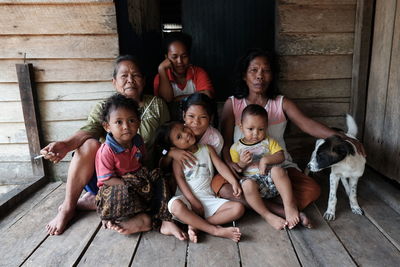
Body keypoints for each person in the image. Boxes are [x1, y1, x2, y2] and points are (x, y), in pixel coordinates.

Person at [41, 55, 185, 239]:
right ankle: (69, 208)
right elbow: (89, 131)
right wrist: (66, 145)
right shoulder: (105, 108)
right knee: (89, 144)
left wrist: (170, 152)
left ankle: (98, 204)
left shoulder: (156, 105)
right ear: (114, 82)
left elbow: (167, 137)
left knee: (161, 184)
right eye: (124, 76)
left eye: (136, 75)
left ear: (144, 80)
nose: (130, 80)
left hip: (142, 177)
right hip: (110, 180)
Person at [216, 49, 366, 225]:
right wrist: (232, 164)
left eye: (266, 70)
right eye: (253, 70)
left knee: (312, 190)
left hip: (280, 167)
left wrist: (343, 137)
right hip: (244, 169)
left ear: (272, 75)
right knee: (222, 188)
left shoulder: (280, 102)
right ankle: (282, 210)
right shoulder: (233, 103)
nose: (260, 76)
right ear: (244, 75)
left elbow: (307, 124)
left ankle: (258, 205)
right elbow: (225, 142)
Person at [94, 94, 172, 235]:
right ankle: (120, 218)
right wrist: (130, 185)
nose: (126, 127)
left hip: (138, 180)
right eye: (119, 122)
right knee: (117, 195)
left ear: (139, 122)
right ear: (107, 126)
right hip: (117, 185)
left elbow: (141, 163)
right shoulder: (107, 150)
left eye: (131, 120)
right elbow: (106, 179)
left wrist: (145, 182)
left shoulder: (137, 140)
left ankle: (153, 217)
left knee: (159, 177)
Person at [155, 122, 244, 242]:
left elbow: (220, 166)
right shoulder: (178, 159)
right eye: (179, 137)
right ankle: (215, 230)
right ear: (173, 146)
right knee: (175, 205)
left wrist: (233, 181)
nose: (185, 134)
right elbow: (180, 179)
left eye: (184, 128)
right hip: (188, 200)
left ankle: (197, 225)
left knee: (238, 208)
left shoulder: (207, 149)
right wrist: (192, 200)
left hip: (208, 198)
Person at [230, 104, 300, 230]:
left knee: (278, 170)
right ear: (241, 127)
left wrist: (265, 160)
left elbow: (281, 156)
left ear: (266, 127)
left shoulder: (269, 141)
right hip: (254, 185)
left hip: (271, 179)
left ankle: (289, 205)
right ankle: (266, 215)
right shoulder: (236, 148)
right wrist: (242, 163)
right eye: (250, 129)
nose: (256, 133)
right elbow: (237, 169)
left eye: (261, 129)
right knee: (246, 184)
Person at [154, 32, 214, 103]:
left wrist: (175, 99)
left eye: (184, 56)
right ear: (166, 57)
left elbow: (207, 96)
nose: (180, 61)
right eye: (174, 57)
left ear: (189, 56)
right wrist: (161, 69)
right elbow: (165, 101)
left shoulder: (198, 73)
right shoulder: (160, 77)